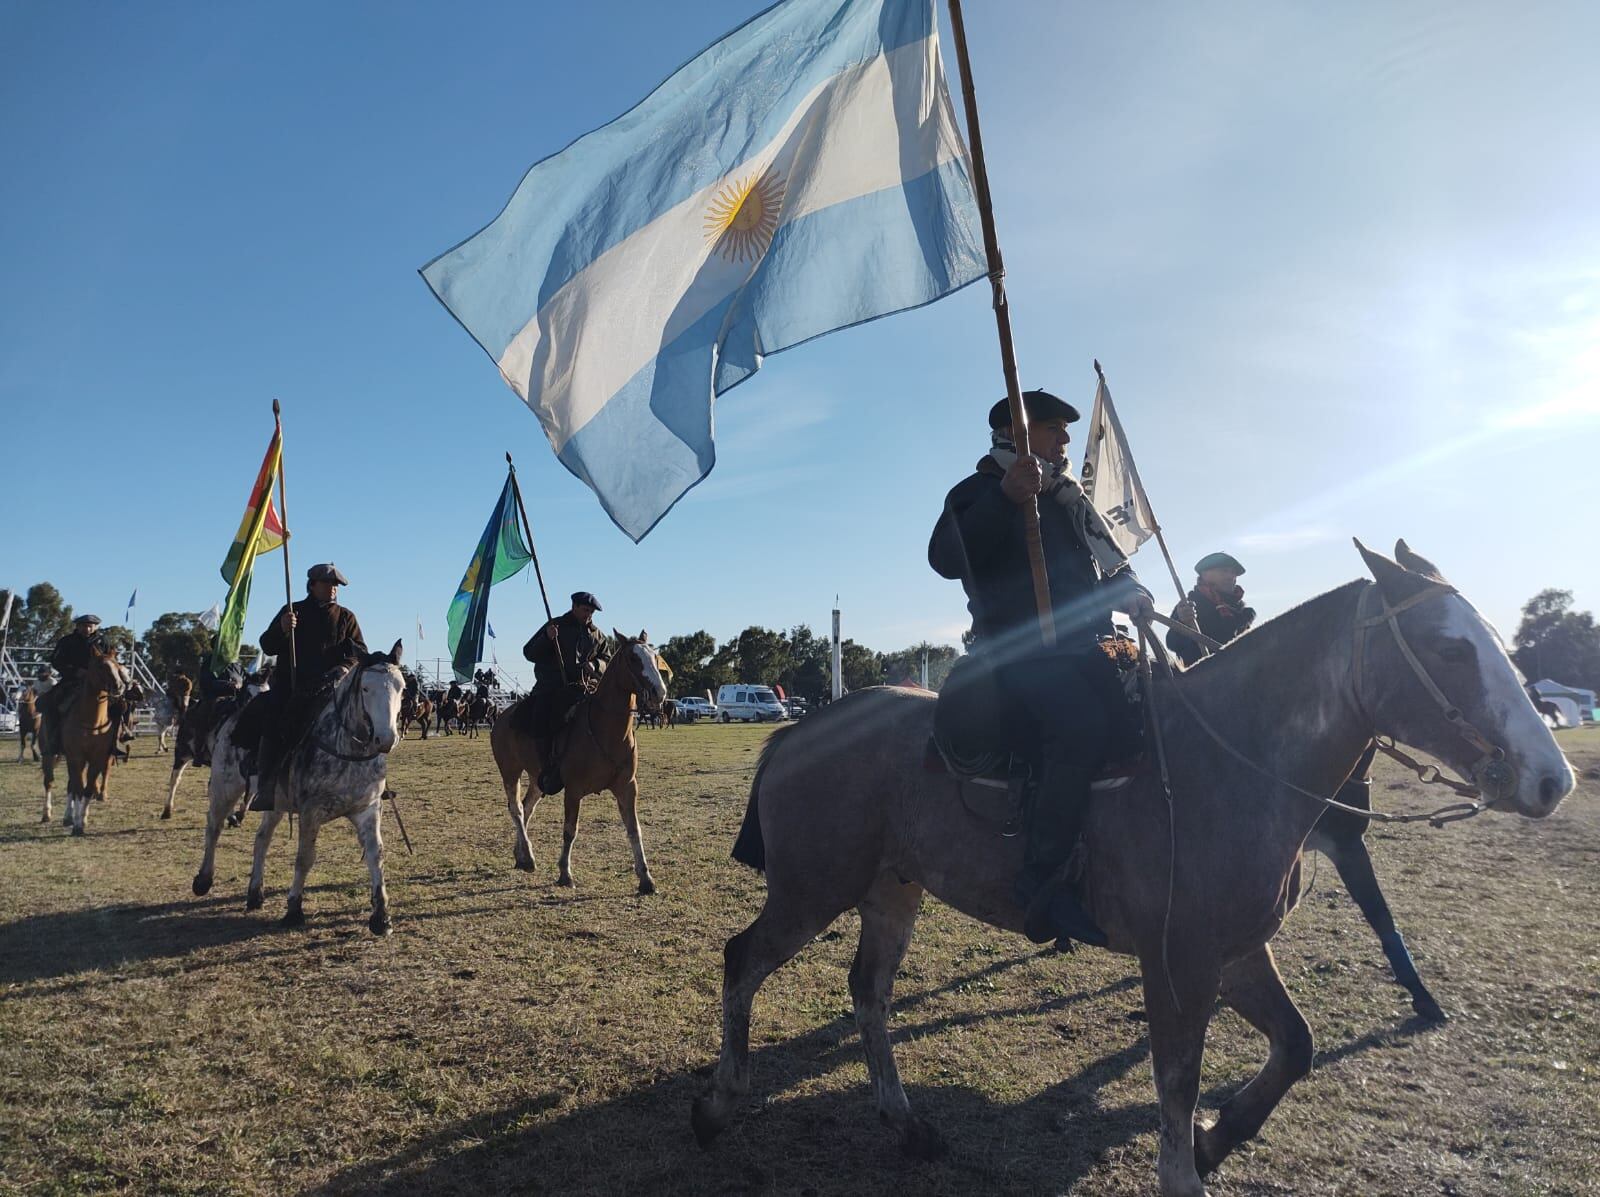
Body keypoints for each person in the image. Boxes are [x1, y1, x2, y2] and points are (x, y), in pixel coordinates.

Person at [929, 389, 1154, 948]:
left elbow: (1099, 574)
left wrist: (1131, 591)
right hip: (1016, 654)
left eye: (1064, 431)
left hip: (1087, 649)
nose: (1065, 440)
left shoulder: (1067, 502)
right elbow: (943, 559)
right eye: (1054, 429)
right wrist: (1004, 499)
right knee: (1078, 727)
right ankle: (1043, 877)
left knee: (1157, 714)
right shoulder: (979, 490)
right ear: (1018, 434)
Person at [250, 563, 368, 810]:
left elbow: (360, 652)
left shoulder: (347, 617)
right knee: (273, 720)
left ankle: (368, 782)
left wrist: (345, 667)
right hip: (292, 686)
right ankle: (266, 786)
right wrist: (283, 629)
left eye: (336, 585)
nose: (333, 589)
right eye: (328, 584)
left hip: (331, 687)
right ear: (313, 585)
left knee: (363, 720)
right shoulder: (292, 611)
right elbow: (267, 645)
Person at [522, 591, 612, 794]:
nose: (588, 615)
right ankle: (548, 768)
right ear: (574, 607)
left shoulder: (598, 636)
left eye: (591, 612)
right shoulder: (555, 625)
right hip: (551, 687)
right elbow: (529, 652)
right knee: (540, 720)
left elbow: (607, 659)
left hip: (583, 688)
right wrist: (547, 637)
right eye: (585, 610)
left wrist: (596, 664)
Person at [1167, 551, 1255, 668]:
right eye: (1224, 571)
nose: (1230, 577)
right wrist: (1183, 624)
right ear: (1205, 575)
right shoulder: (1190, 605)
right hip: (1203, 677)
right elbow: (1173, 643)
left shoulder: (1240, 609)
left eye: (1233, 572)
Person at [36, 614, 101, 758]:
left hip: (99, 684)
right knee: (50, 704)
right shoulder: (66, 641)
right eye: (84, 625)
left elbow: (111, 659)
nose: (88, 628)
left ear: (96, 626)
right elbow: (56, 660)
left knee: (121, 705)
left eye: (91, 625)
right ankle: (53, 741)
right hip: (71, 682)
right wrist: (75, 671)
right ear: (77, 626)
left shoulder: (104, 642)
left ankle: (117, 739)